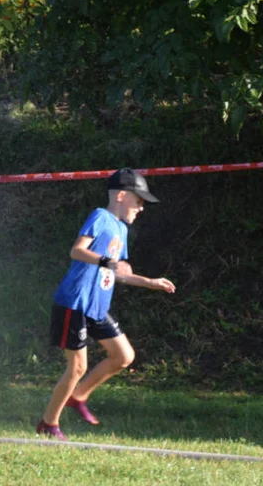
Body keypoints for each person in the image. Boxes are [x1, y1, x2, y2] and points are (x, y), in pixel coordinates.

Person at [36, 168, 176, 440]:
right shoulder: (100, 217)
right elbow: (77, 250)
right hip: (75, 303)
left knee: (124, 356)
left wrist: (149, 282)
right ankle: (48, 424)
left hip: (97, 308)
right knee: (77, 367)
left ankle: (78, 397)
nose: (141, 208)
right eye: (139, 201)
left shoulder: (121, 230)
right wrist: (105, 261)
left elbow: (118, 271)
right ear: (122, 196)